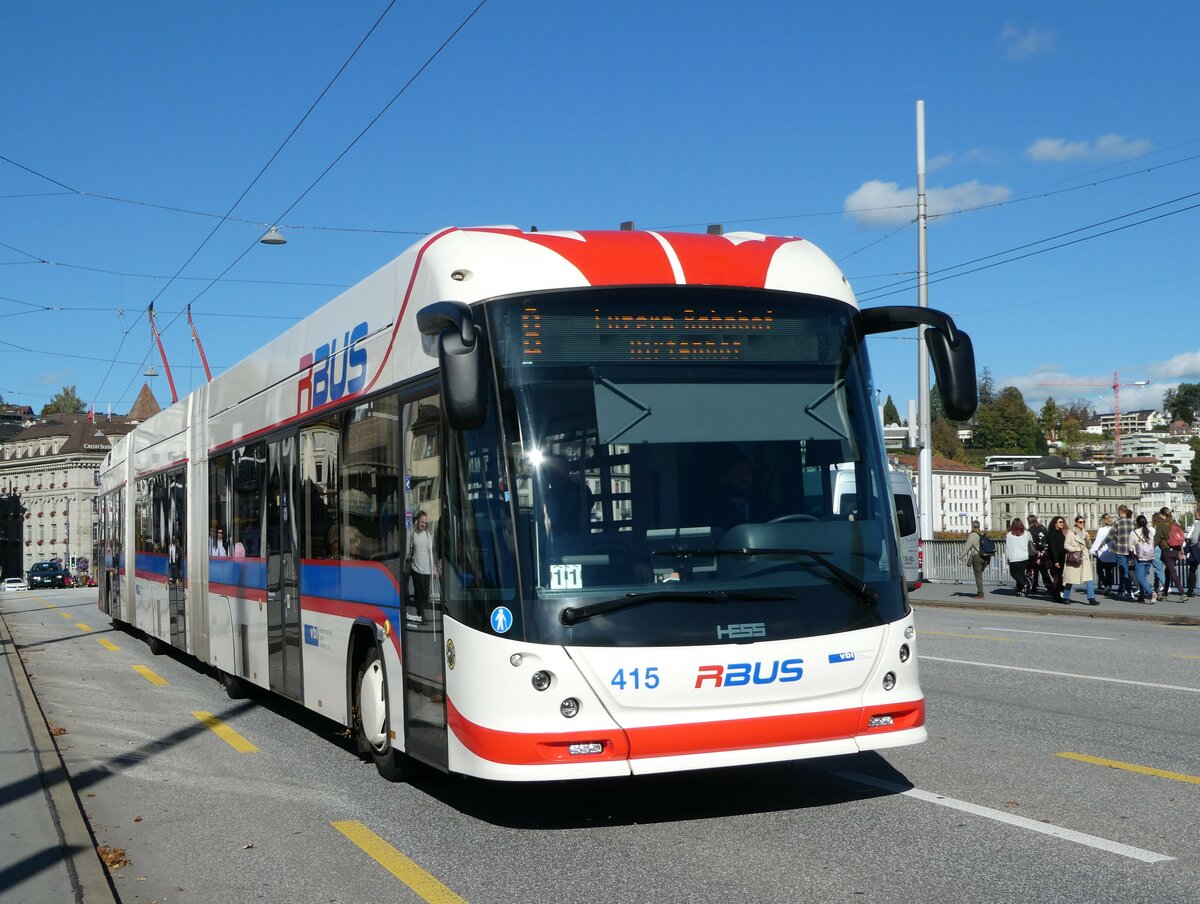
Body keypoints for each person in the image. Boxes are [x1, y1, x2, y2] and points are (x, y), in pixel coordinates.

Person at [705, 446, 781, 530]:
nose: (743, 477)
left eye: (747, 472)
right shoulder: (711, 511)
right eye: (736, 473)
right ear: (723, 478)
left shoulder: (769, 508)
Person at [405, 510, 440, 624]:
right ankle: (422, 615)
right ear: (418, 521)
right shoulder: (413, 534)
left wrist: (435, 568)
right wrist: (408, 565)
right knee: (419, 593)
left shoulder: (428, 535)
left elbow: (431, 552)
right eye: (421, 521)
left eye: (425, 522)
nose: (423, 524)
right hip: (416, 569)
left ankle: (420, 610)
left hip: (427, 570)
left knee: (425, 594)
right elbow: (409, 551)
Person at [1062, 515, 1098, 605]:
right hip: (1075, 558)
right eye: (1080, 522)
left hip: (1084, 559)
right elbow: (1066, 545)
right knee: (1070, 579)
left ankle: (1091, 598)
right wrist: (1077, 549)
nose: (1082, 524)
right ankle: (1065, 597)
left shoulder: (1085, 533)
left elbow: (1089, 547)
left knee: (1089, 579)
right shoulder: (1071, 533)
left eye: (1083, 522)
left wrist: (1088, 539)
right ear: (1076, 523)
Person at [1155, 506, 1187, 602]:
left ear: (1162, 514)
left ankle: (1182, 593)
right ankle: (1164, 594)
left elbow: (1157, 539)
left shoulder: (1161, 525)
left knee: (1172, 572)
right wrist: (1181, 550)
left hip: (1167, 551)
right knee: (1168, 571)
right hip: (1176, 550)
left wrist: (1148, 548)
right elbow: (1180, 538)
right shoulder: (1175, 524)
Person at [1109, 505, 1136, 600]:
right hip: (1130, 550)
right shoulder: (1132, 523)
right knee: (1123, 570)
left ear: (1120, 512)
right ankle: (1121, 590)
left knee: (1124, 571)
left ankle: (1129, 591)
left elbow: (1111, 536)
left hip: (1120, 550)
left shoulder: (1117, 522)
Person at [1129, 514, 1157, 604]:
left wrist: (1133, 551)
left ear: (1137, 523)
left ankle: (1151, 592)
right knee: (1143, 577)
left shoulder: (1134, 533)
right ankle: (1141, 596)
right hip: (1149, 557)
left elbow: (1130, 547)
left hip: (1139, 558)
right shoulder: (1150, 532)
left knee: (1139, 576)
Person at [1025, 516, 1054, 596]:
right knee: (1043, 570)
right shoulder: (1043, 528)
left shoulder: (1030, 531)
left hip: (1035, 552)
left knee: (1032, 569)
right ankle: (1049, 586)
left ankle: (1032, 586)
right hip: (1044, 551)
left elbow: (1029, 542)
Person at [1004, 518, 1033, 596]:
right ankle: (1021, 590)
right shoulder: (1027, 533)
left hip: (1014, 558)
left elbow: (1008, 548)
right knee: (1021, 574)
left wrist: (1007, 559)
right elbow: (1031, 544)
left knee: (1014, 573)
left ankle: (1024, 585)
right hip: (1025, 557)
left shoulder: (1009, 534)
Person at [1090, 513, 1116, 594]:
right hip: (1111, 553)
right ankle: (1109, 586)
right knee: (1109, 571)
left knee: (1099, 570)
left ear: (1103, 521)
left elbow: (1098, 541)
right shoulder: (1113, 529)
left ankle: (1106, 585)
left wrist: (1093, 550)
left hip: (1102, 553)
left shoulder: (1101, 530)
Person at [1045, 515, 1068, 604]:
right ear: (1055, 523)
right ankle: (1056, 595)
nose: (1062, 524)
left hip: (1061, 557)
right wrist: (1056, 561)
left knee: (1059, 577)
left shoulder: (1059, 532)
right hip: (1055, 559)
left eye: (1063, 522)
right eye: (1060, 522)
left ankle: (1057, 594)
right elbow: (1053, 547)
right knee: (1057, 578)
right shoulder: (1052, 533)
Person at [962, 519, 986, 599]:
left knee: (978, 575)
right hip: (985, 557)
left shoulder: (972, 535)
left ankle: (980, 593)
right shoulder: (982, 534)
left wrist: (961, 556)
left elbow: (967, 546)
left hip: (977, 556)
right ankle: (980, 591)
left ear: (972, 527)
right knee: (979, 574)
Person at [1186, 506, 1200, 599]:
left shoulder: (1197, 524)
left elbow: (1192, 537)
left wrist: (1191, 545)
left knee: (1193, 569)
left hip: (1197, 549)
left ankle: (1190, 590)